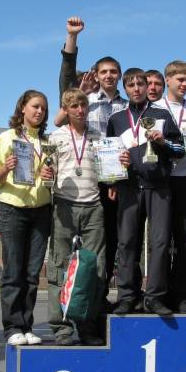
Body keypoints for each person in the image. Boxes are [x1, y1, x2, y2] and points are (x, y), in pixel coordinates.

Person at [47, 89, 130, 345]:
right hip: (64, 205)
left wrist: (118, 170)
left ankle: (87, 326)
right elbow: (47, 169)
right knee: (59, 266)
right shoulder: (56, 137)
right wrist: (45, 173)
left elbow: (108, 171)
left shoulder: (98, 138)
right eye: (74, 106)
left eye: (83, 105)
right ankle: (61, 328)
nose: (80, 110)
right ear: (66, 110)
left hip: (93, 205)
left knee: (96, 267)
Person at [56, 16, 128, 310]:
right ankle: (69, 299)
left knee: (109, 241)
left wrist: (116, 179)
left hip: (115, 181)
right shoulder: (85, 101)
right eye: (104, 71)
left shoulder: (126, 107)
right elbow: (66, 77)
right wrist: (72, 37)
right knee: (74, 245)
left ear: (119, 75)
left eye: (113, 71)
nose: (109, 76)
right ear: (96, 75)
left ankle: (100, 297)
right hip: (85, 181)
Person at [107, 68, 184, 316]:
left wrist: (163, 142)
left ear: (147, 86)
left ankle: (155, 297)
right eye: (131, 85)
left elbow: (180, 149)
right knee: (127, 242)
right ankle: (127, 296)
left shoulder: (162, 115)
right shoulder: (116, 119)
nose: (137, 89)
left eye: (141, 84)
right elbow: (109, 155)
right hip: (129, 187)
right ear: (125, 88)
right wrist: (113, 180)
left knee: (160, 243)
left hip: (159, 187)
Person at [0, 90, 54, 346]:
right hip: (13, 208)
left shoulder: (48, 141)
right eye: (35, 106)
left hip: (41, 209)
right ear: (23, 108)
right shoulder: (7, 138)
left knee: (33, 273)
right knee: (14, 271)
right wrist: (6, 168)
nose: (40, 111)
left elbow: (54, 178)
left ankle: (27, 326)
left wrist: (51, 174)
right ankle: (12, 327)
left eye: (43, 109)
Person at [153, 60, 186, 313]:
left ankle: (183, 296)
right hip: (162, 179)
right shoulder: (155, 109)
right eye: (180, 80)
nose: (184, 84)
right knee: (161, 240)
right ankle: (160, 295)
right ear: (168, 80)